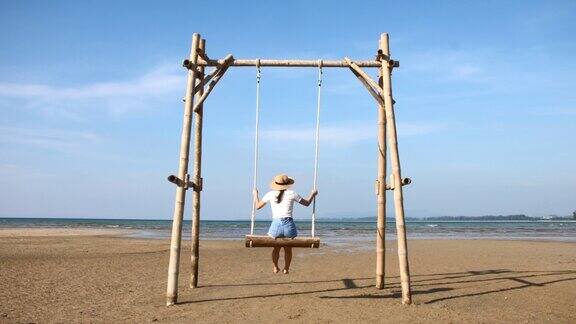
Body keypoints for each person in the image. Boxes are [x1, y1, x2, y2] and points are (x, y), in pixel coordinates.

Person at [253, 173, 318, 274]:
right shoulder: (292, 193)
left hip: (276, 226)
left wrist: (255, 194)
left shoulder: (270, 194)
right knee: (288, 249)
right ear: (287, 184)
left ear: (276, 184)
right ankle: (286, 268)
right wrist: (313, 194)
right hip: (289, 226)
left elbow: (257, 206)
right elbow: (307, 203)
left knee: (276, 248)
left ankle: (275, 267)